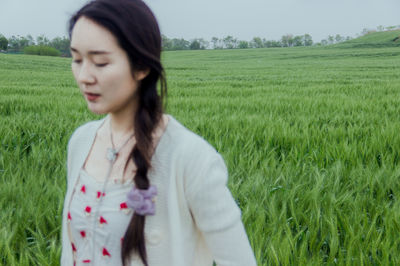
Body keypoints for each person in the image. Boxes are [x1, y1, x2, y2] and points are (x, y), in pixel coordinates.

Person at [61, 0, 257, 265]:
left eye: (101, 62)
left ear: (142, 66)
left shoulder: (190, 158)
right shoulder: (81, 142)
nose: (84, 75)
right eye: (76, 59)